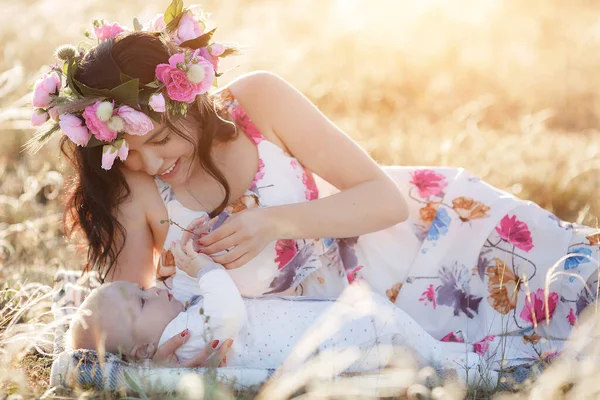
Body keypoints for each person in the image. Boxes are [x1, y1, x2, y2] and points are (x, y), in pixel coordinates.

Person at [30, 0, 599, 372]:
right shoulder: (137, 189)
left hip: (408, 247)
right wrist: (157, 360)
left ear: (187, 97)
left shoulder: (257, 102)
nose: (151, 164)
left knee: (571, 288)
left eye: (158, 142)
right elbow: (123, 324)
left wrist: (273, 223)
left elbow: (381, 199)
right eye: (127, 153)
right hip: (329, 335)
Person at [68, 239, 488, 383]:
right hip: (337, 334)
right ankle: (469, 366)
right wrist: (206, 270)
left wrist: (181, 272)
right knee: (396, 334)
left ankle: (459, 360)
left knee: (402, 336)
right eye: (142, 299)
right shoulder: (183, 343)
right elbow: (227, 314)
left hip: (327, 324)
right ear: (142, 351)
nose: (154, 292)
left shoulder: (174, 330)